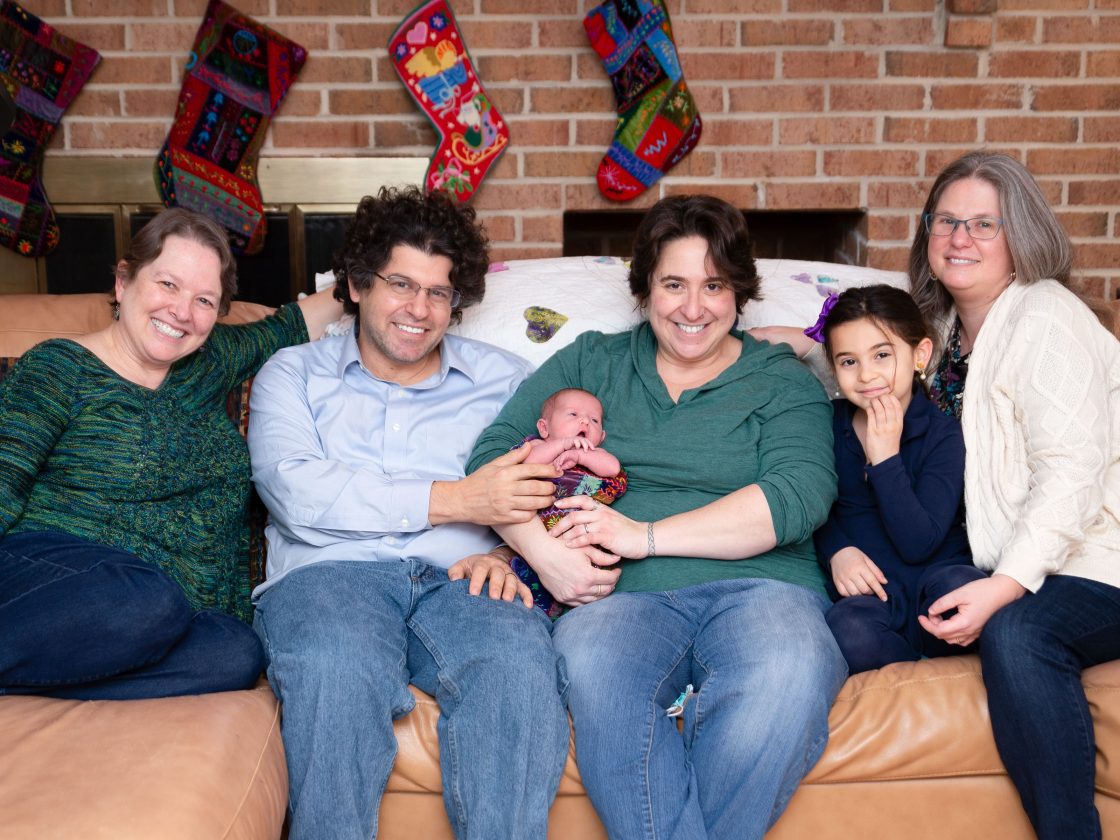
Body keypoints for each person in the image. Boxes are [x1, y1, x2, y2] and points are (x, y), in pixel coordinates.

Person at [754, 151, 1120, 839]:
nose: (960, 238)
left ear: (1022, 237)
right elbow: (876, 363)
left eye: (985, 223)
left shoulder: (1045, 317)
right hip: (1017, 560)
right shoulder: (949, 330)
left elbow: (1072, 472)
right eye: (946, 221)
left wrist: (1006, 584)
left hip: (1097, 559)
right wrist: (799, 345)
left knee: (1021, 632)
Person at [468, 194, 848, 840]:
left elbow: (799, 494)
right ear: (645, 288)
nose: (694, 308)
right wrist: (546, 554)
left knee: (789, 674)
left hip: (767, 592)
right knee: (593, 671)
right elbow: (491, 458)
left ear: (740, 293)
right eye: (674, 284)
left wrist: (640, 535)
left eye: (715, 286)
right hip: (619, 599)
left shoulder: (782, 380)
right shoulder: (593, 361)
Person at [247, 186, 570, 840]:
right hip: (328, 577)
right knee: (336, 666)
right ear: (360, 284)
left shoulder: (505, 380)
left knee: (517, 666)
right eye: (400, 284)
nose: (418, 310)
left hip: (467, 576)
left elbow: (553, 489)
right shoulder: (293, 374)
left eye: (439, 293)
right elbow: (295, 491)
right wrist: (458, 498)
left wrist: (507, 551)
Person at [0, 207, 342, 701]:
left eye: (204, 299)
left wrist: (381, 280)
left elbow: (291, 323)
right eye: (167, 285)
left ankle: (42, 674)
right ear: (123, 282)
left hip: (161, 619)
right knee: (146, 596)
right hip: (57, 577)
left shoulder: (209, 361)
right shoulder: (58, 368)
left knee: (235, 652)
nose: (181, 311)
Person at [809, 284, 985, 674]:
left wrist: (885, 457)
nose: (867, 375)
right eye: (848, 361)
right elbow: (809, 500)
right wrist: (836, 550)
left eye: (882, 355)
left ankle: (940, 661)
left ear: (919, 355)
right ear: (833, 368)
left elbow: (918, 542)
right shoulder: (828, 423)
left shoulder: (943, 434)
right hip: (870, 589)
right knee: (847, 628)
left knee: (967, 592)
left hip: (935, 577)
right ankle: (909, 667)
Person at [513, 387, 626, 617]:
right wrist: (563, 445)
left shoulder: (595, 455)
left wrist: (580, 455)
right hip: (539, 535)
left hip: (580, 539)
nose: (585, 421)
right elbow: (525, 467)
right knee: (524, 582)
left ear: (601, 436)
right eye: (573, 415)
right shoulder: (536, 447)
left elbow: (613, 469)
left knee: (588, 576)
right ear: (544, 428)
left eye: (594, 420)